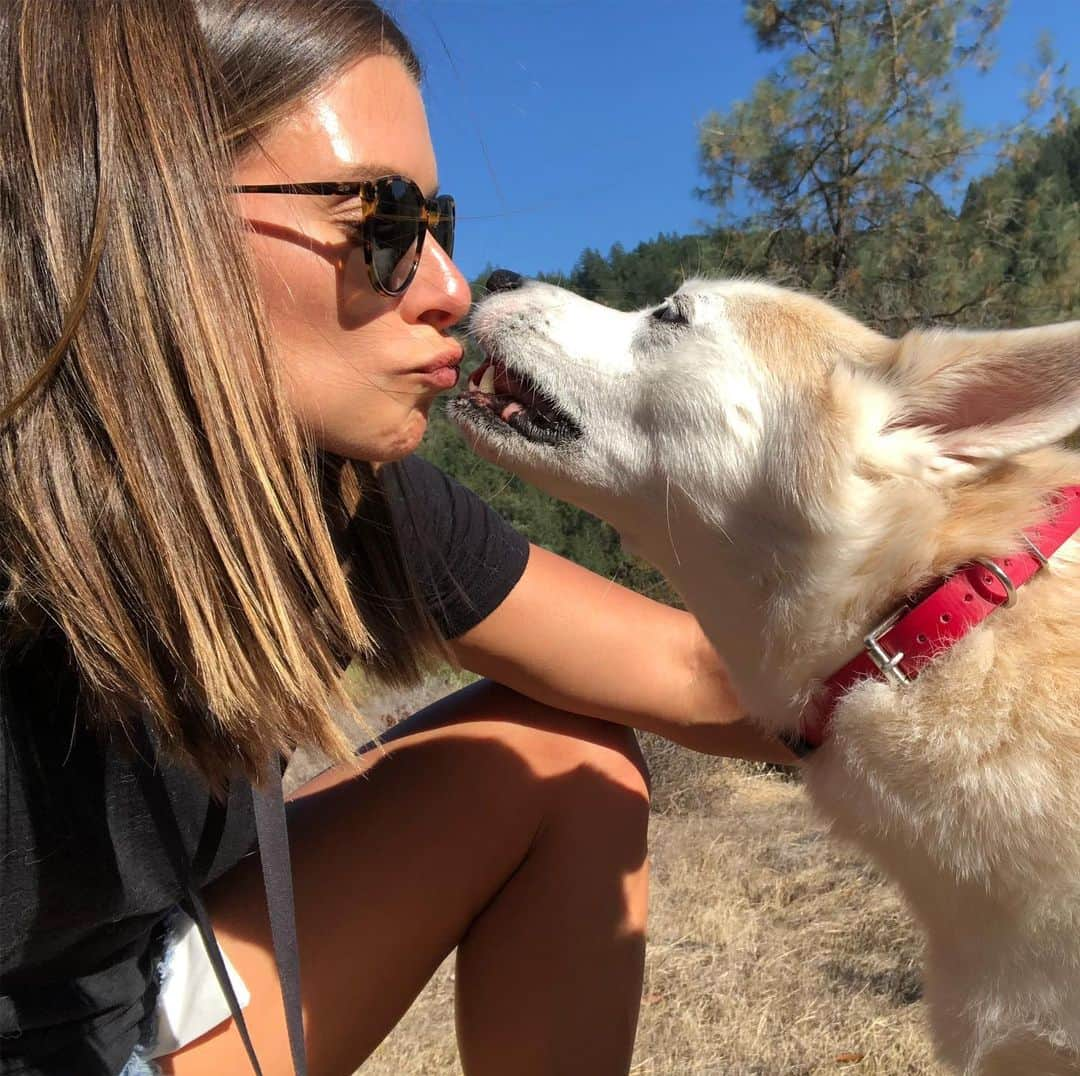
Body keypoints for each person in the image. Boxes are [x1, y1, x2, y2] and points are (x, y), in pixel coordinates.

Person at [0, 3, 796, 1075]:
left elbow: (695, 672)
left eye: (438, 226)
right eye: (380, 224)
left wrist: (1005, 681)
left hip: (133, 999)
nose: (452, 291)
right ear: (140, 206)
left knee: (563, 757)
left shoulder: (344, 491)